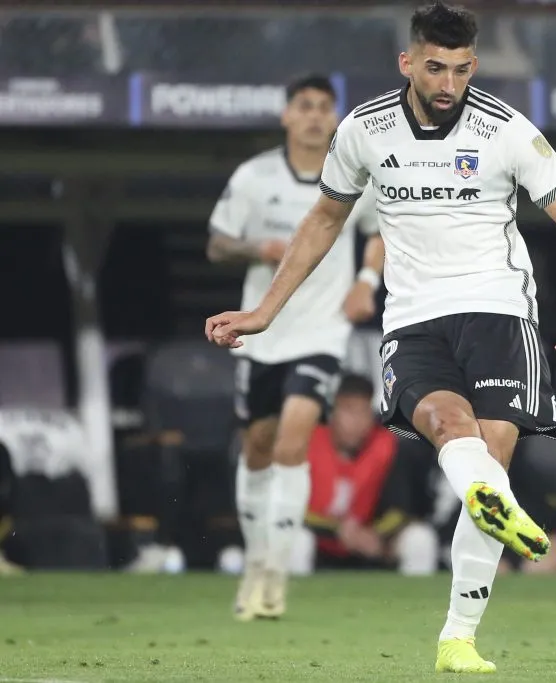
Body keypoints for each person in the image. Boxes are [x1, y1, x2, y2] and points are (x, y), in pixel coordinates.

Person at [206, 2, 556, 673]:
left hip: (499, 313)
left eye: (459, 68)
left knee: (487, 453)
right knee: (454, 433)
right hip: (414, 319)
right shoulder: (364, 129)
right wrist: (265, 310)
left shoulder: (507, 130)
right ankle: (489, 501)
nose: (447, 81)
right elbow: (323, 223)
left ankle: (458, 635)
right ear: (408, 62)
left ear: (473, 65)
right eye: (434, 67)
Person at [206, 73, 385, 621]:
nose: (313, 116)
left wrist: (365, 282)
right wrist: (258, 247)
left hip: (321, 334)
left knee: (292, 442)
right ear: (287, 116)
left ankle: (276, 576)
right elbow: (217, 244)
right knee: (258, 448)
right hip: (263, 336)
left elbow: (379, 232)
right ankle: (256, 564)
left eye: (323, 107)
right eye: (304, 106)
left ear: (334, 118)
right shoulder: (255, 176)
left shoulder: (354, 174)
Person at [299, 374, 439, 576]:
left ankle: (417, 606)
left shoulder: (388, 446)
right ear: (332, 412)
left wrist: (374, 534)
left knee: (420, 539)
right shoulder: (308, 442)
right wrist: (337, 530)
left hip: (372, 542)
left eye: (363, 411)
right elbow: (293, 510)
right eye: (348, 410)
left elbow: (400, 510)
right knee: (296, 540)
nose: (356, 421)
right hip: (319, 541)